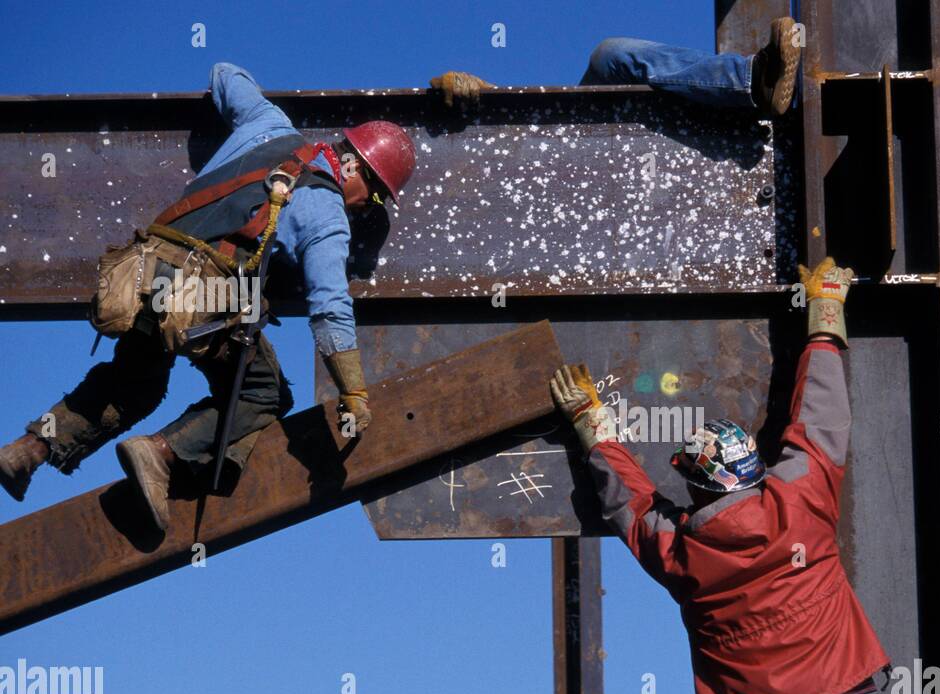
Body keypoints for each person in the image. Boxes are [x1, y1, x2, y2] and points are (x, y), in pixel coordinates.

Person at [549, 257, 893, 694]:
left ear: (698, 487)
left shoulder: (681, 553)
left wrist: (592, 428)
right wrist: (825, 313)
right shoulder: (804, 500)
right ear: (752, 470)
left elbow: (628, 505)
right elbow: (821, 418)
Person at [0, 63, 416, 532]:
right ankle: (160, 453)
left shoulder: (269, 124)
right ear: (354, 165)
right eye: (376, 195)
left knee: (134, 382)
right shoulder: (326, 211)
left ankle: (27, 450)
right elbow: (330, 305)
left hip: (142, 277)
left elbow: (225, 73)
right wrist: (353, 390)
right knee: (264, 392)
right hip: (202, 297)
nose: (369, 206)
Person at [430, 15, 803, 116]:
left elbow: (519, 121)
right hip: (559, 175)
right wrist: (452, 106)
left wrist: (473, 92)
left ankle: (753, 82)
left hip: (575, 141)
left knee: (611, 55)